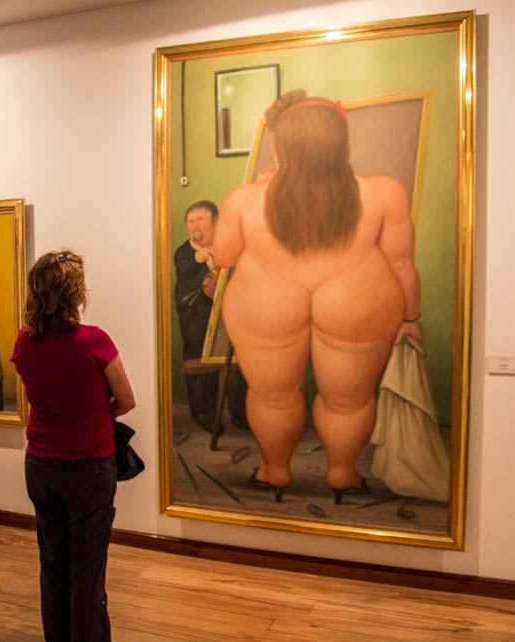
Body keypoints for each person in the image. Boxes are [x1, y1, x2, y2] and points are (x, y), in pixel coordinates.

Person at [214, 89, 423, 502]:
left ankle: (275, 472)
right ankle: (343, 474)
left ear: (280, 148)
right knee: (349, 401)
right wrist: (411, 319)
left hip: (266, 302)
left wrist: (260, 189)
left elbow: (224, 257)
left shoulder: (244, 200)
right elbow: (402, 265)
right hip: (356, 301)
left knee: (272, 396)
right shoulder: (385, 192)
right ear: (341, 143)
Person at [11, 250, 135, 642]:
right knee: (87, 565)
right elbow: (126, 401)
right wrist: (93, 412)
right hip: (87, 468)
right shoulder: (93, 342)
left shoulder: (25, 342)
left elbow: (39, 393)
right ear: (73, 294)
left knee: (53, 560)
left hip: (41, 464)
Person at [174, 200, 247, 433]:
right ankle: (204, 415)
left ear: (215, 222)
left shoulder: (228, 246)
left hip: (231, 315)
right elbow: (185, 270)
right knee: (201, 365)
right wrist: (200, 259)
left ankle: (241, 414)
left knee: (238, 363)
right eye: (190, 221)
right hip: (197, 319)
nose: (194, 226)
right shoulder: (184, 253)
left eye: (200, 220)